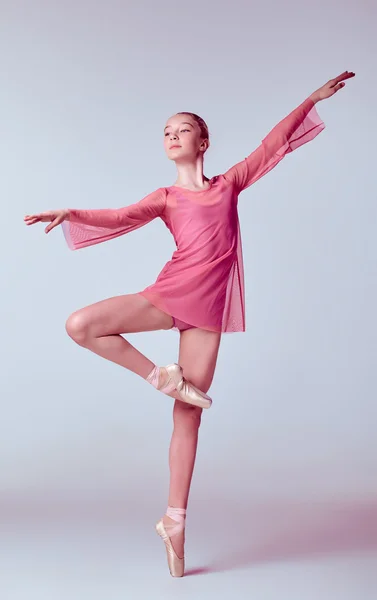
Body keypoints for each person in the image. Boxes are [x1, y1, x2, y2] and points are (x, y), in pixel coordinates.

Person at [24, 70, 355, 577]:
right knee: (81, 324)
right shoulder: (165, 198)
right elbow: (118, 216)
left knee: (188, 416)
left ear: (203, 141)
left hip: (208, 313)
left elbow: (274, 144)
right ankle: (161, 375)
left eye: (181, 129)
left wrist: (309, 99)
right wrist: (71, 211)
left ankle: (174, 521)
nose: (172, 135)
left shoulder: (230, 183)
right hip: (169, 293)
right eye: (165, 132)